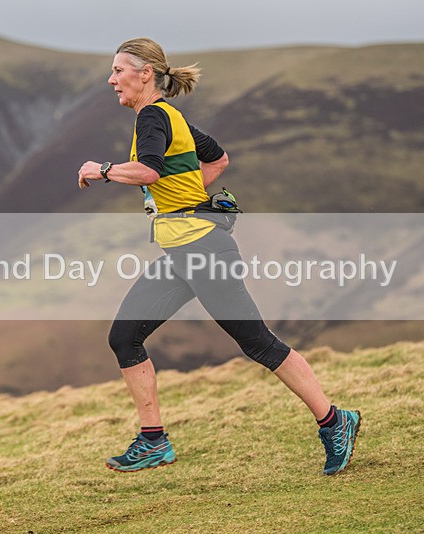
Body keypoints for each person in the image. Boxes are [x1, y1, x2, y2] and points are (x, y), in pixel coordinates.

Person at [78, 38, 360, 475]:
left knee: (258, 343)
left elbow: (149, 169)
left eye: (118, 70)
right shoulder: (171, 117)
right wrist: (184, 198)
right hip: (184, 250)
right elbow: (219, 159)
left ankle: (335, 421)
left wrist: (103, 170)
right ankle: (153, 442)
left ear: (145, 74)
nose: (111, 80)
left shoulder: (153, 116)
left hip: (202, 249)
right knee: (124, 337)